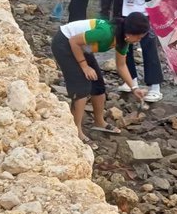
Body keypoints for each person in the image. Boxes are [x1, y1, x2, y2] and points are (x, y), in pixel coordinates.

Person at [51, 12, 149, 143]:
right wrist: (84, 66)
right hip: (64, 42)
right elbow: (73, 41)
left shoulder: (123, 40)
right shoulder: (106, 33)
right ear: (130, 33)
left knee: (99, 86)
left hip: (82, 47)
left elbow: (121, 66)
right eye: (139, 37)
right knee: (81, 88)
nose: (139, 41)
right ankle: (76, 130)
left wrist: (134, 88)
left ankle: (99, 122)